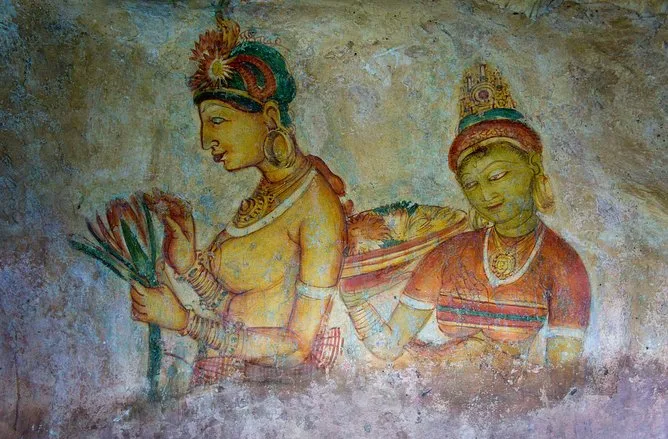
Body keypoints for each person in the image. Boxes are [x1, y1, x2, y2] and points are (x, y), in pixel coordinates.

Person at [129, 15, 347, 383]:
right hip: (230, 383)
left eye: (217, 120)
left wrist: (184, 322)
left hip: (273, 396)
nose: (205, 140)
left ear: (269, 117)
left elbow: (296, 347)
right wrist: (188, 266)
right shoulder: (270, 190)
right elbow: (235, 308)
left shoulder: (316, 208)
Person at [342, 64, 591, 385]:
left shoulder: (564, 266)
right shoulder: (449, 253)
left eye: (497, 175)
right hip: (434, 392)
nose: (485, 194)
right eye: (472, 184)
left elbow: (561, 380)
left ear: (533, 168)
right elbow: (389, 346)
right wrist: (355, 301)